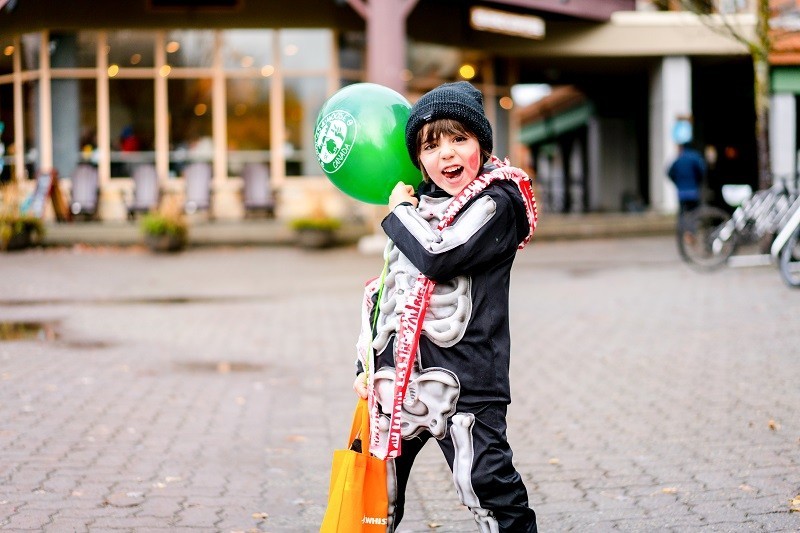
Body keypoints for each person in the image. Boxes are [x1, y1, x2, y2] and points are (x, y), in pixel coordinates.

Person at [352, 81, 539, 532]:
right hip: (397, 380)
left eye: (460, 139)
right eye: (431, 145)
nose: (447, 155)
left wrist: (398, 214)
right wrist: (364, 365)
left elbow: (440, 254)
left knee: (487, 486)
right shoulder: (418, 205)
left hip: (467, 380)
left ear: (482, 144)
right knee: (374, 501)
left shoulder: (499, 201)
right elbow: (387, 291)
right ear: (418, 158)